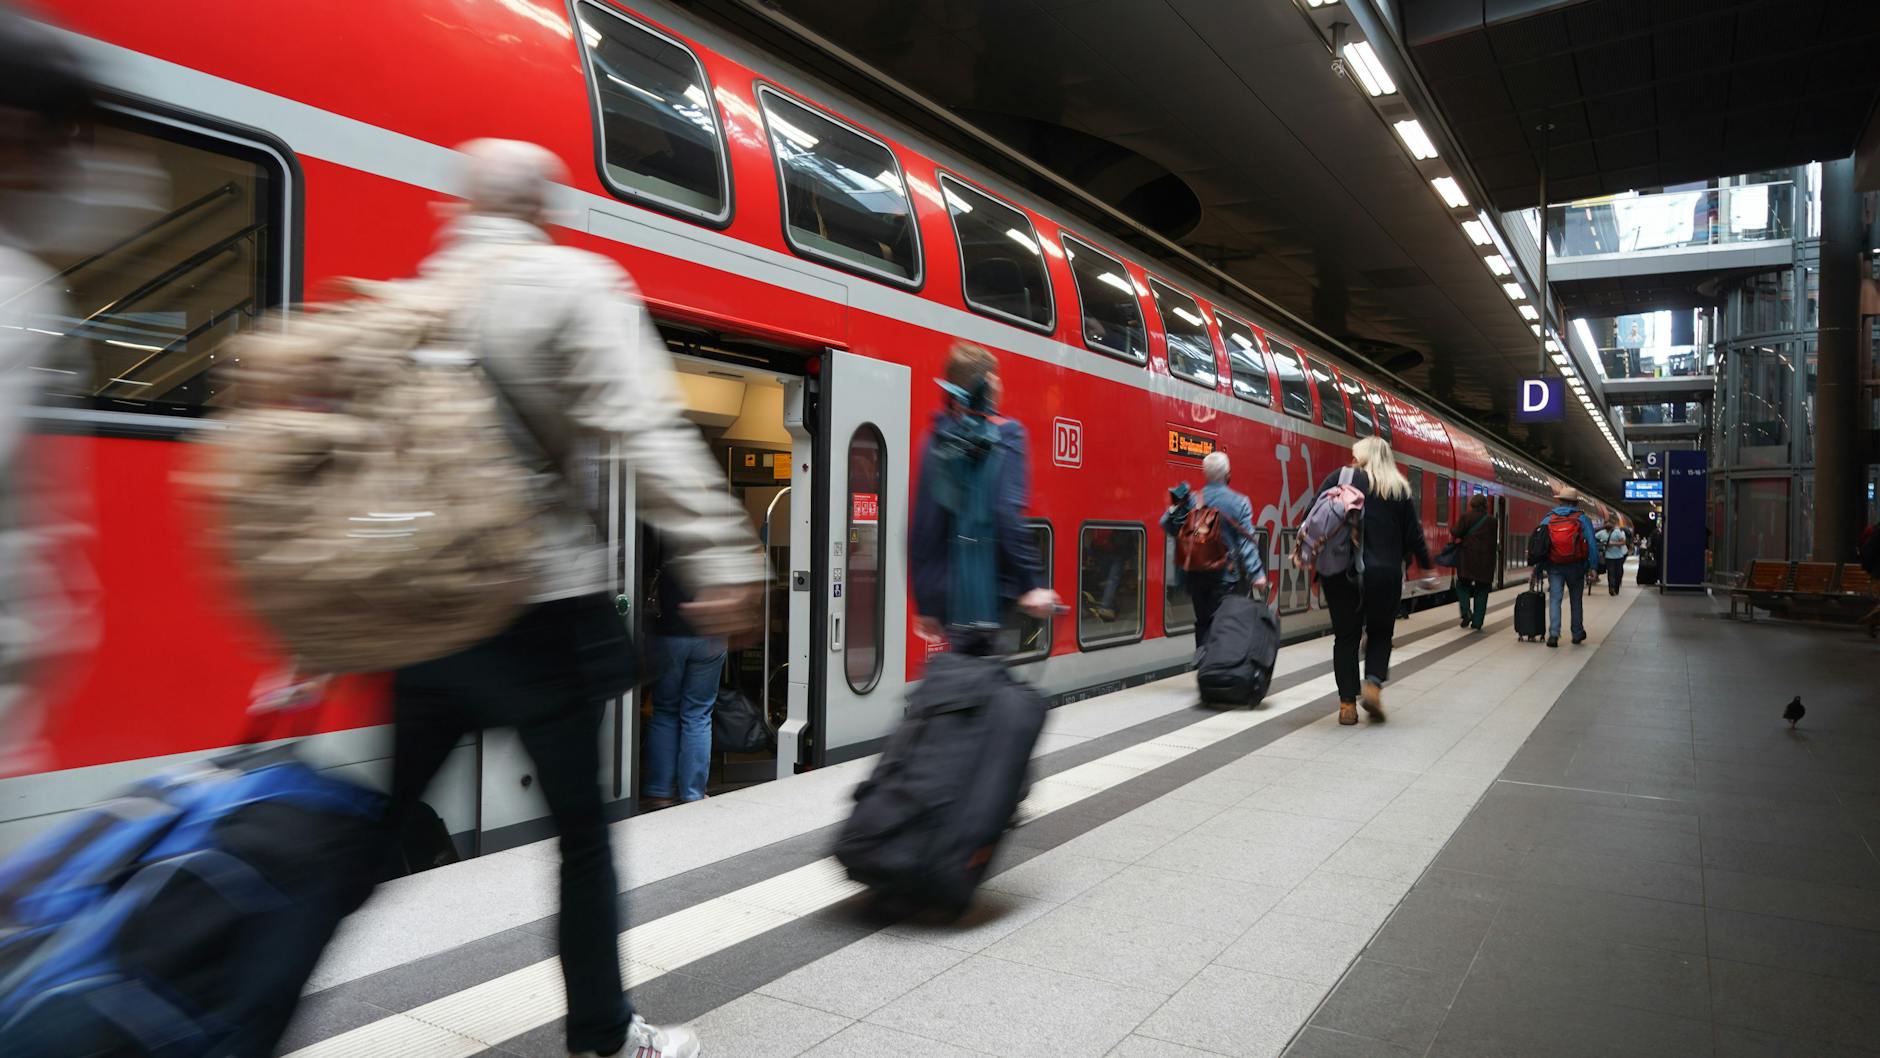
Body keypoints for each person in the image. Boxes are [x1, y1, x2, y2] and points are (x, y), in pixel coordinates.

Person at [384, 140, 764, 1058]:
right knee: (584, 843)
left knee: (368, 837)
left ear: (464, 203)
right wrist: (721, 553)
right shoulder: (572, 280)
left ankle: (234, 1012)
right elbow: (644, 427)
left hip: (430, 608)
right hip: (540, 608)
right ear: (543, 204)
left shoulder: (420, 297)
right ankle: (602, 1033)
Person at [910, 342, 1060, 654]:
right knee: (988, 689)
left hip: (946, 599)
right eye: (996, 378)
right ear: (989, 382)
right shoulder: (1007, 434)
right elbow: (1006, 513)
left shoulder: (935, 436)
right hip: (988, 597)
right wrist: (1031, 585)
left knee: (963, 682)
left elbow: (922, 526)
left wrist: (925, 601)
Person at [1304, 437, 1434, 726]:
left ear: (1360, 457)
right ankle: (1373, 685)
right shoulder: (1399, 489)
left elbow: (1311, 515)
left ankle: (1347, 705)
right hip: (1385, 574)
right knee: (1379, 633)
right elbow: (1413, 535)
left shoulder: (1341, 478)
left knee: (1346, 638)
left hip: (1340, 571)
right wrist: (1426, 567)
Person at [641, 530, 726, 810]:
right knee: (698, 713)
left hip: (670, 635)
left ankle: (659, 791)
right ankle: (692, 793)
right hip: (710, 637)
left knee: (665, 711)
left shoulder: (662, 538)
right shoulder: (719, 540)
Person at [1161, 451, 1268, 649]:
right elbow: (1246, 544)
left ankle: (1204, 665)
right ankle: (1220, 668)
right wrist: (1257, 574)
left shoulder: (1193, 500)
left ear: (1206, 474)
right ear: (1228, 474)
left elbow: (1166, 524)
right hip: (1225, 579)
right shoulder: (1240, 502)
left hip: (1196, 578)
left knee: (1203, 623)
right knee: (1225, 626)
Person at [1538, 487, 1600, 648]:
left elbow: (1540, 544)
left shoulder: (1548, 518)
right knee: (1576, 600)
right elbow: (1592, 544)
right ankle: (1577, 633)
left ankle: (1553, 634)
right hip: (1576, 566)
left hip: (1554, 565)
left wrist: (1538, 568)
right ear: (1575, 502)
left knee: (1555, 600)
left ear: (1559, 500)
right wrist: (1593, 567)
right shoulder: (1582, 519)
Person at [1450, 494, 1498, 631]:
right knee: (1482, 590)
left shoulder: (1466, 517)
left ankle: (1466, 612)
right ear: (1485, 505)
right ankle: (1477, 622)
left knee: (1462, 585)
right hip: (1486, 562)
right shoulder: (1492, 521)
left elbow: (1456, 532)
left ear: (1472, 504)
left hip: (1468, 560)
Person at [1599, 520, 1631, 596]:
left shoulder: (1617, 532)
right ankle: (1611, 588)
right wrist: (1602, 544)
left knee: (1618, 573)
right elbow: (1594, 538)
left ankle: (1616, 587)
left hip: (1619, 556)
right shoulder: (1601, 533)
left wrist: (1613, 544)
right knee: (1611, 573)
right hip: (1608, 557)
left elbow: (1623, 542)